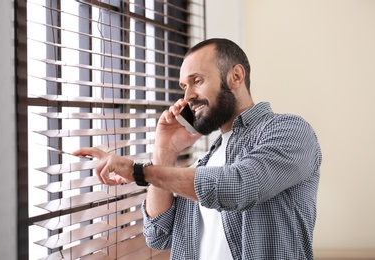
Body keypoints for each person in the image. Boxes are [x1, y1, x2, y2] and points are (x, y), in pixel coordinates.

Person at [73, 38, 322, 259]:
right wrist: (164, 151)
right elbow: (158, 235)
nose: (188, 96)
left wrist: (139, 171)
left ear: (236, 76)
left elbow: (238, 187)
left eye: (197, 81)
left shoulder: (289, 131)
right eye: (184, 86)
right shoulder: (205, 163)